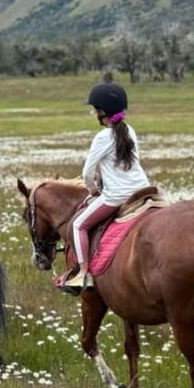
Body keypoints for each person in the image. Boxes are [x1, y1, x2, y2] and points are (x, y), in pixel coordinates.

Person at [63, 82, 151, 291]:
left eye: (94, 109)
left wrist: (93, 189)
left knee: (78, 225)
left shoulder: (103, 137)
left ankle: (83, 274)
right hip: (143, 190)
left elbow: (87, 173)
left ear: (102, 111)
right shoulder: (129, 130)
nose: (93, 112)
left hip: (117, 196)